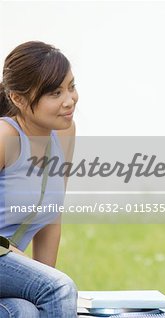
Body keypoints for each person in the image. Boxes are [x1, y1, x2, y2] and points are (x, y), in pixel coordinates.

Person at [0, 41, 78, 317]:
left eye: (71, 86)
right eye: (55, 93)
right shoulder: (4, 137)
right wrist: (50, 283)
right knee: (59, 288)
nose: (69, 100)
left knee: (24, 311)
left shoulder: (64, 134)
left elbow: (51, 215)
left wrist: (45, 276)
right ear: (18, 99)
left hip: (8, 264)